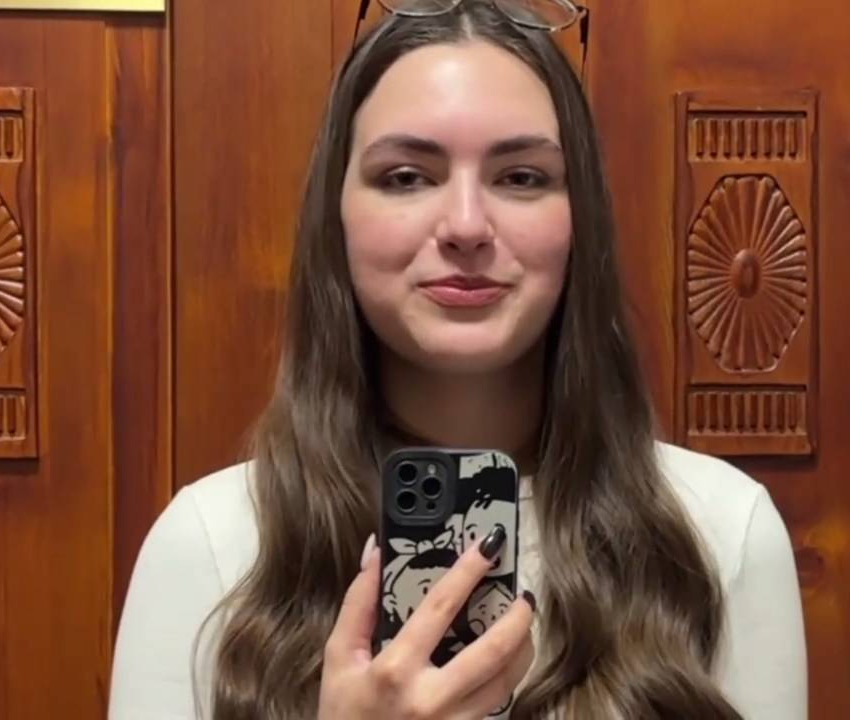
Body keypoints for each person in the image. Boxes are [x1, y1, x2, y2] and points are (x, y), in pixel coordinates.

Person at [108, 0, 808, 718]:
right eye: (406, 177)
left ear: (580, 220)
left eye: (522, 177)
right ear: (336, 215)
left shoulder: (721, 535)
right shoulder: (212, 547)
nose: (467, 225)